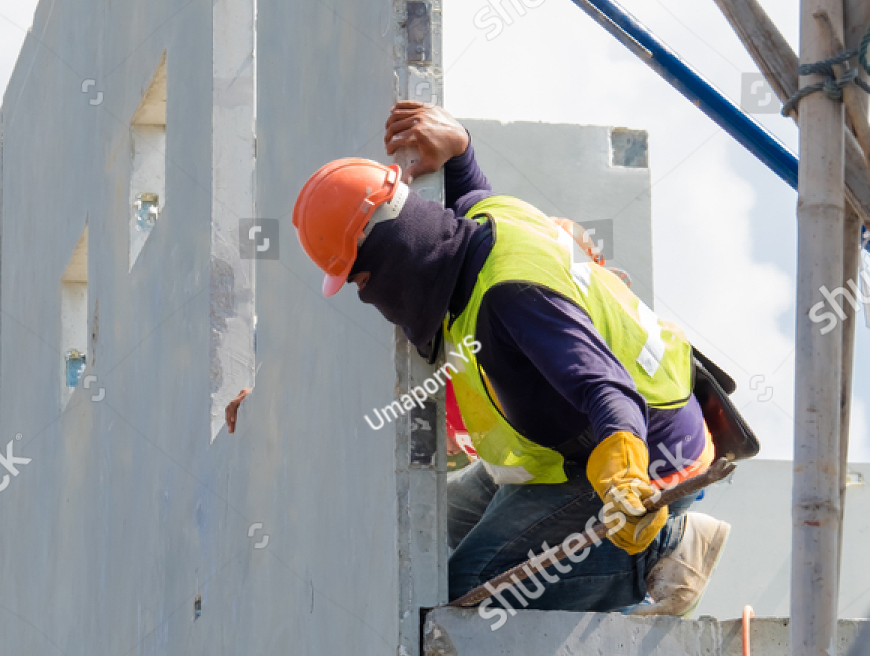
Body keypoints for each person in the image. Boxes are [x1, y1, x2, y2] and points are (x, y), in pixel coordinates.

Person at [292, 102, 738, 616]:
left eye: (360, 277)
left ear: (391, 251)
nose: (364, 292)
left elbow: (606, 388)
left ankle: (666, 552)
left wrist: (623, 482)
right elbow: (469, 188)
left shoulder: (511, 294)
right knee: (419, 550)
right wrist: (459, 151)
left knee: (464, 594)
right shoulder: (483, 221)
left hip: (641, 458)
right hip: (559, 452)